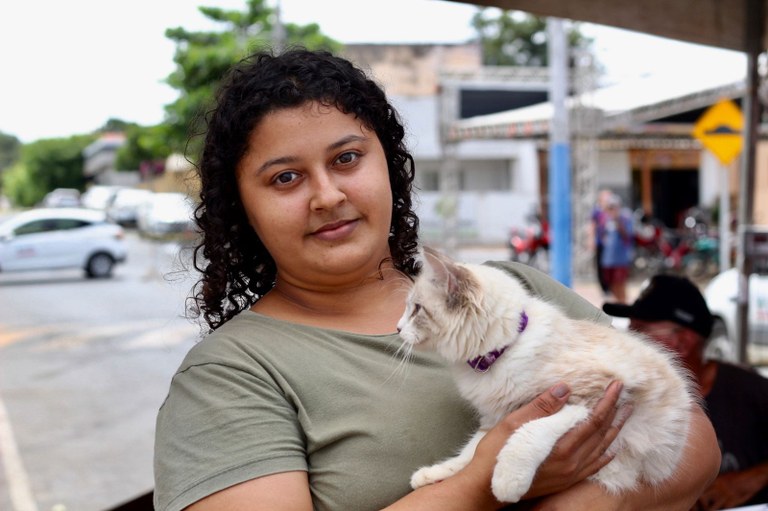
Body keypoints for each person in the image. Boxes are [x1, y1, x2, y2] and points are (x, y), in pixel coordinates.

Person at [153, 48, 720, 511]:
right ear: (241, 207)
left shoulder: (516, 295)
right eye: (285, 178)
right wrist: (479, 482)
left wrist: (582, 502)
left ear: (390, 166)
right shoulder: (230, 376)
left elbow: (693, 440)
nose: (327, 196)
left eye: (347, 159)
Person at [603, 274, 768, 510]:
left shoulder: (751, 392)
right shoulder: (623, 396)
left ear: (683, 341)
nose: (627, 339)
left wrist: (744, 481)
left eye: (638, 329)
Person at [597, 193, 634, 303]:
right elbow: (601, 236)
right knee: (612, 284)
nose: (612, 210)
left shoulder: (625, 219)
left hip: (620, 259)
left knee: (620, 283)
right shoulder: (605, 220)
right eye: (610, 207)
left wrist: (618, 223)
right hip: (608, 259)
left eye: (614, 207)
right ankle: (617, 304)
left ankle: (623, 304)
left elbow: (628, 236)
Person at [591, 188, 613, 295]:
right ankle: (604, 288)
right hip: (600, 242)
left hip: (611, 243)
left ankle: (612, 285)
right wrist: (591, 240)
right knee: (600, 265)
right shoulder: (597, 211)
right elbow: (592, 226)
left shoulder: (612, 210)